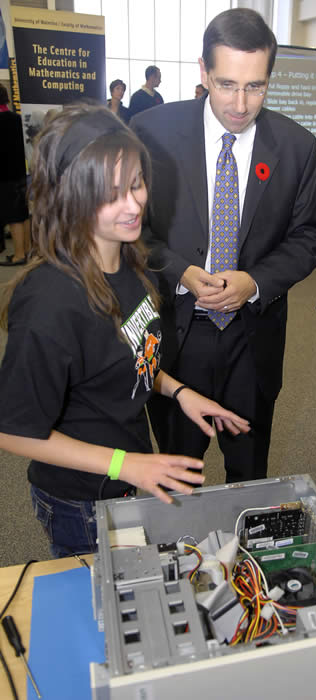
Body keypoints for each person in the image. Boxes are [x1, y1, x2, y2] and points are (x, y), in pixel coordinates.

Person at [0, 104, 249, 558]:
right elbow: (14, 430)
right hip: (80, 497)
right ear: (72, 195)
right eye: (112, 193)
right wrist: (125, 465)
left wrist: (178, 392)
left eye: (136, 184)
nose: (135, 204)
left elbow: (125, 356)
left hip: (127, 472)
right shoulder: (49, 303)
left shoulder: (132, 262)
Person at [131, 8, 316, 484]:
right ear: (203, 71)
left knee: (249, 472)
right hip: (176, 336)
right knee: (178, 473)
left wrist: (255, 282)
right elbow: (131, 229)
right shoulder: (151, 132)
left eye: (256, 86)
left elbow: (309, 236)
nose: (240, 104)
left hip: (252, 338)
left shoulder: (296, 146)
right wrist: (178, 269)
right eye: (226, 84)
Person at [0, 84, 30, 266]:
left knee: (13, 218)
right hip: (19, 173)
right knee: (23, 214)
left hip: (4, 176)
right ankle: (26, 251)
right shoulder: (17, 119)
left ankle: (18, 255)